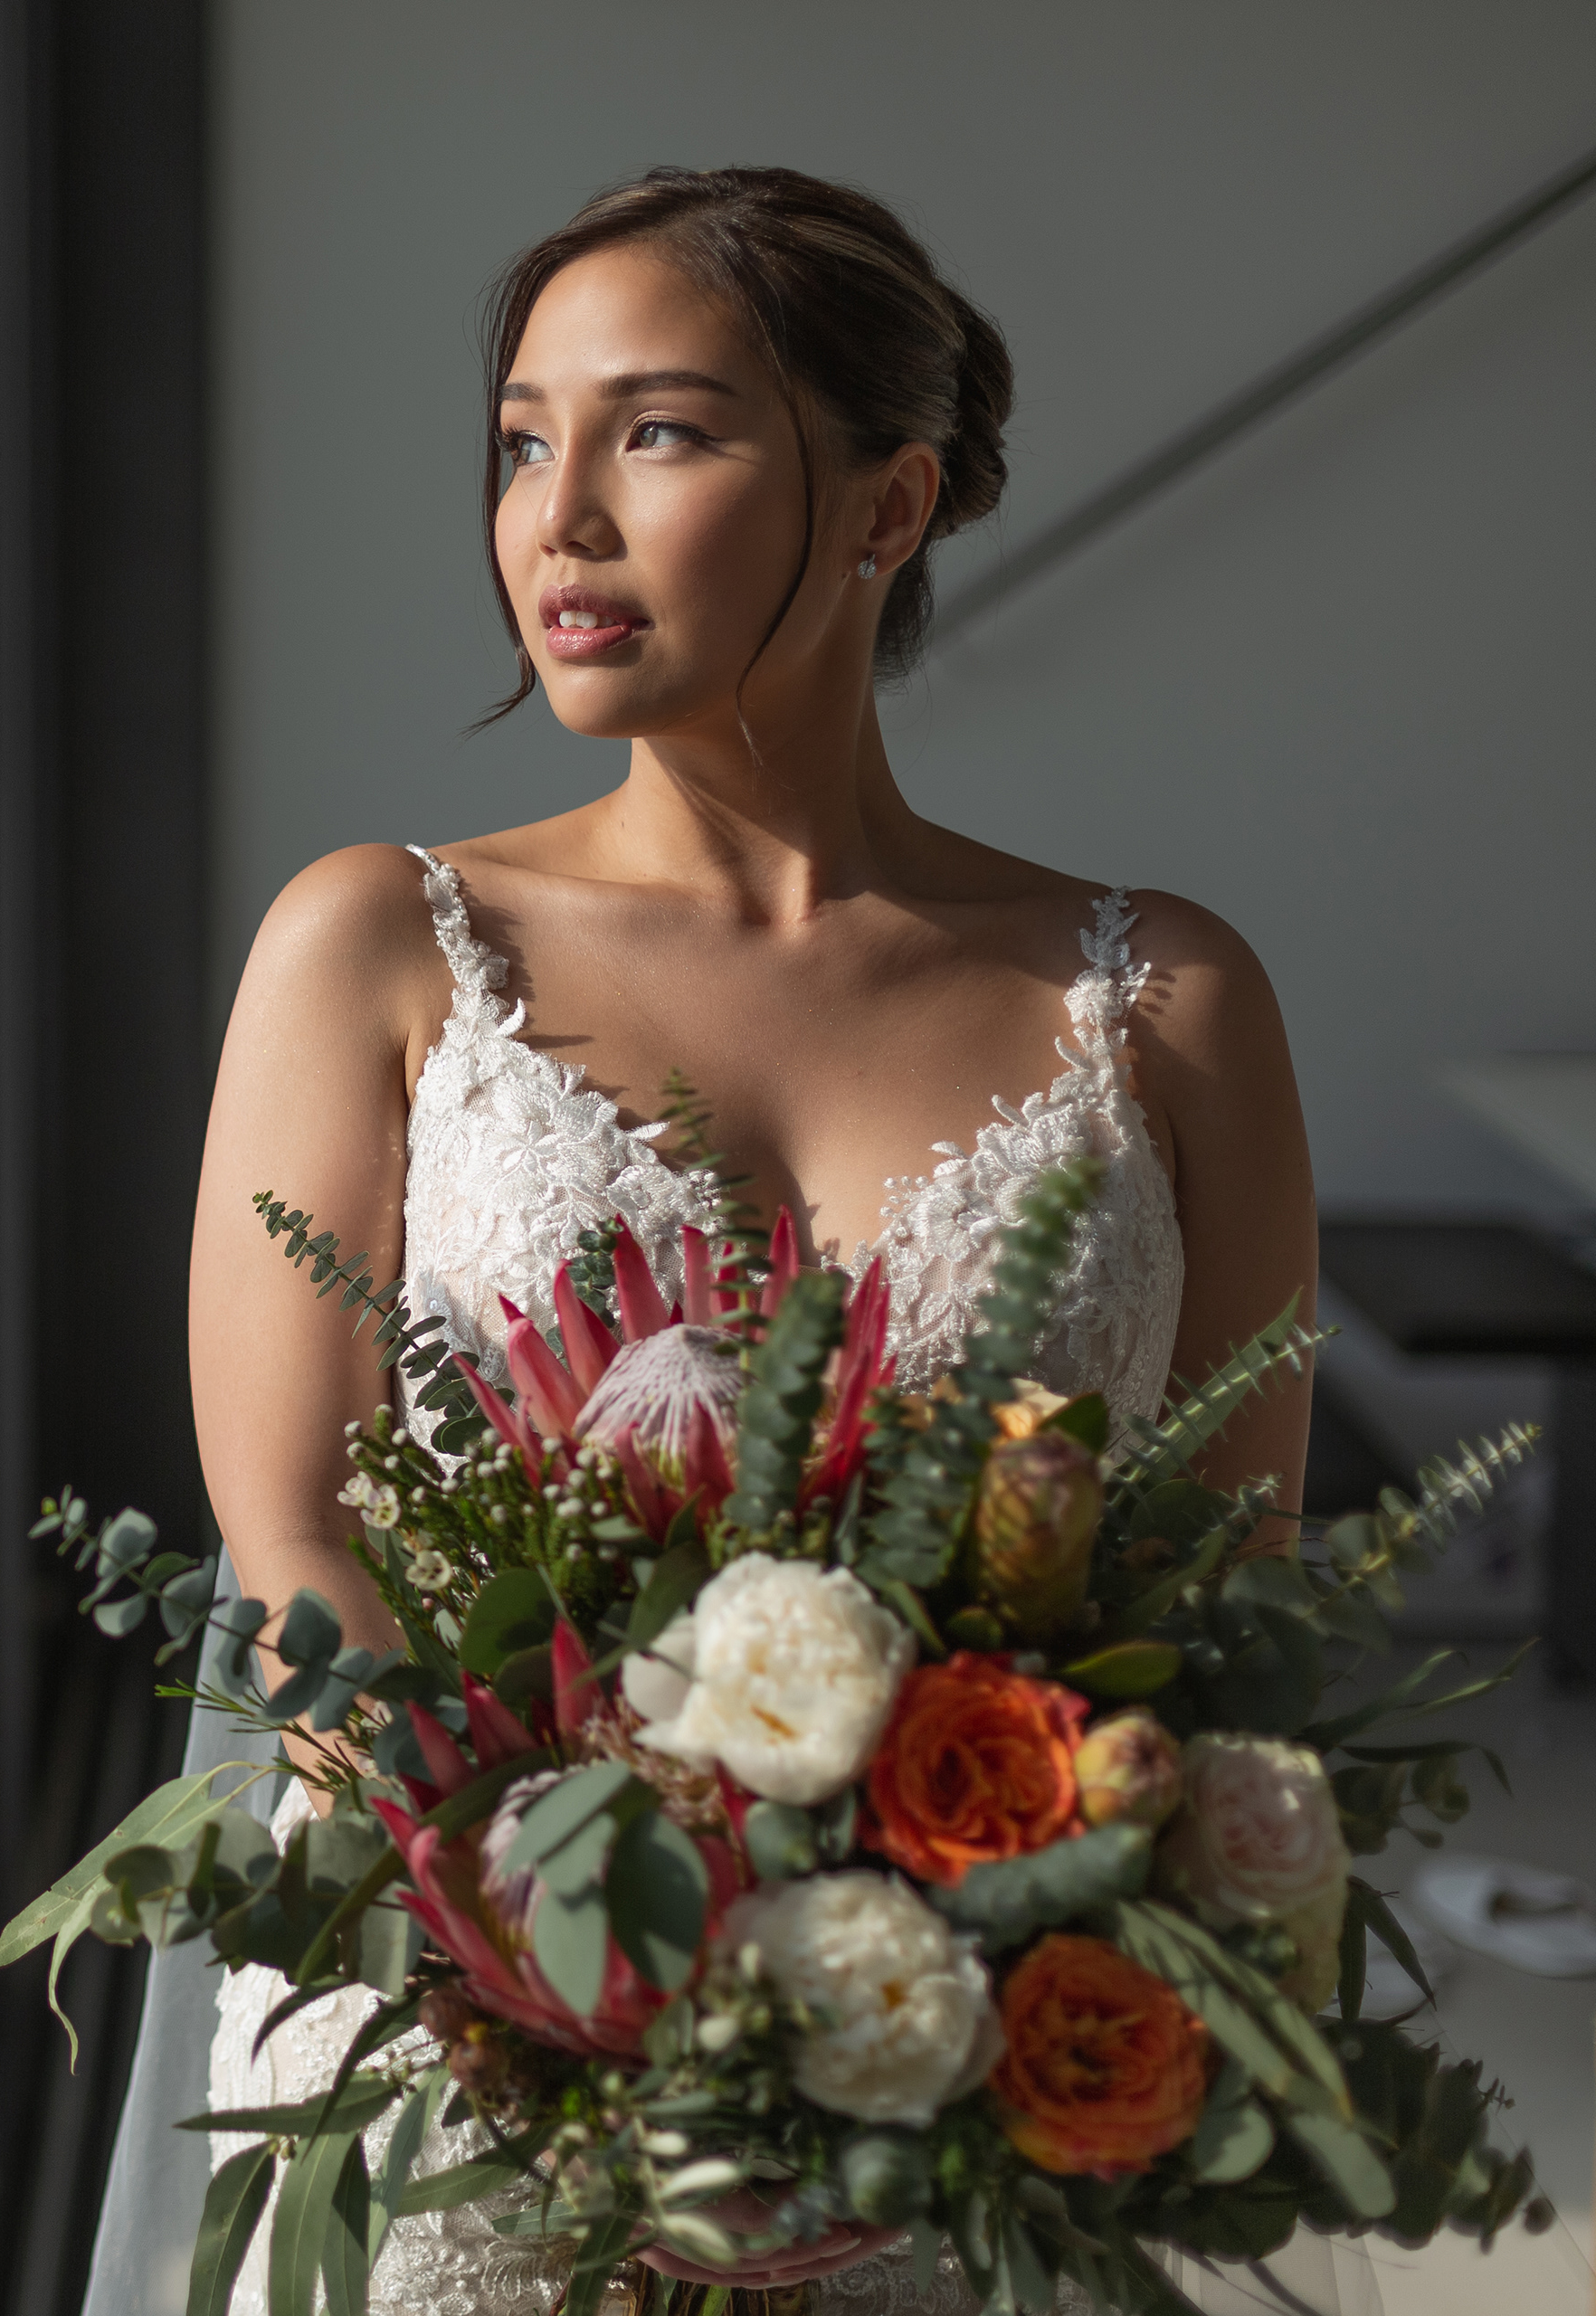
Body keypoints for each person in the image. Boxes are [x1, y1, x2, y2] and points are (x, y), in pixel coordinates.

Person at [84, 167, 1314, 2314]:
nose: (556, 517)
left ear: (887, 503)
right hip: (459, 2034)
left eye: (657, 430)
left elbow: (1227, 1615)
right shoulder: (383, 945)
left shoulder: (1164, 1003)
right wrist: (579, 1995)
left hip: (964, 2062)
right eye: (520, 441)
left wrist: (923, 1990)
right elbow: (292, 1547)